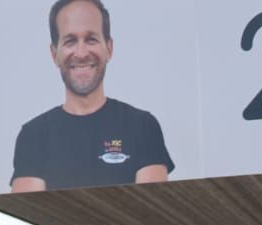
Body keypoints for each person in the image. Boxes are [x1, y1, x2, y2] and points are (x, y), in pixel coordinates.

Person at [10, 0, 173, 192]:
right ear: (54, 54)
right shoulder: (33, 136)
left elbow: (149, 210)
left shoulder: (142, 127)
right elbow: (31, 213)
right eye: (70, 41)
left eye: (91, 39)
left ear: (109, 48)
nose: (81, 53)